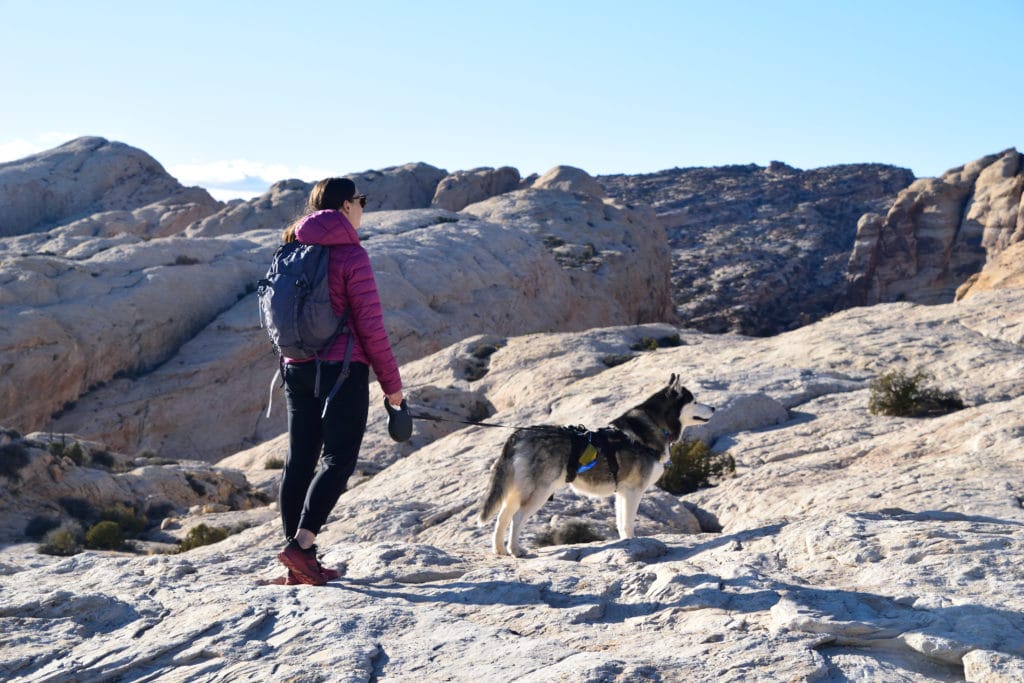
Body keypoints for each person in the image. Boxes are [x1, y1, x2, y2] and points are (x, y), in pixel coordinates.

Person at [275, 177, 403, 586]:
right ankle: (303, 545)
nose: (363, 207)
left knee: (299, 459)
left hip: (296, 365)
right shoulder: (351, 255)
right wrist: (392, 386)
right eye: (361, 200)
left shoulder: (289, 247)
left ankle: (299, 558)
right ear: (346, 206)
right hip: (342, 369)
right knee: (339, 458)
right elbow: (371, 327)